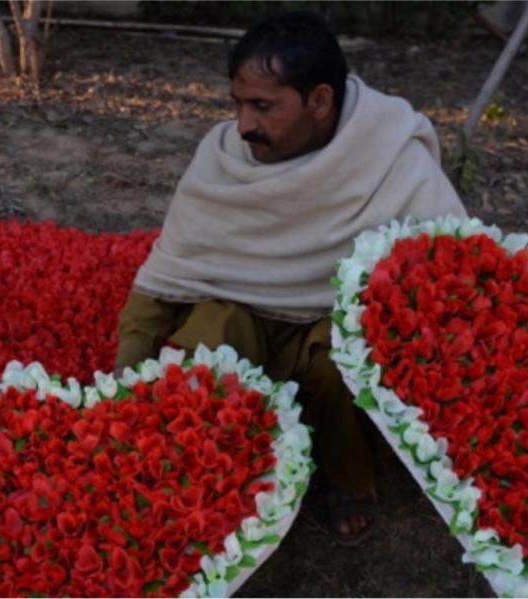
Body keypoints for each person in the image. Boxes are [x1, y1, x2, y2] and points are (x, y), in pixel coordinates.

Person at [115, 10, 467, 546]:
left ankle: (349, 480)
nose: (244, 125)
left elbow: (448, 270)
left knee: (341, 363)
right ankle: (199, 481)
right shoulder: (223, 157)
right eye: (237, 104)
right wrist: (117, 395)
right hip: (240, 315)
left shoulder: (389, 154)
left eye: (263, 106)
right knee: (203, 347)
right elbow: (170, 271)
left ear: (320, 101)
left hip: (329, 320)